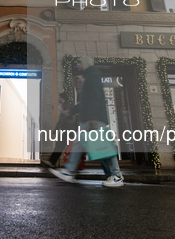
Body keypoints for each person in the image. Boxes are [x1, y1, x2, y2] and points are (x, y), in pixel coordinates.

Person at [49, 57, 124, 187]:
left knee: (105, 147)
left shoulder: (92, 75)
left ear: (86, 63)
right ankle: (69, 171)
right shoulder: (89, 77)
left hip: (93, 118)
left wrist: (93, 117)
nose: (78, 66)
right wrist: (70, 111)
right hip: (88, 118)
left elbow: (95, 97)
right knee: (82, 143)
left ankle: (116, 175)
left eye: (79, 63)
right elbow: (84, 103)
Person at [42, 92, 74, 168]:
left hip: (66, 129)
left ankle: (52, 162)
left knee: (59, 146)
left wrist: (56, 129)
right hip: (67, 129)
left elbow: (62, 119)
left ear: (62, 98)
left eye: (59, 97)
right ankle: (53, 162)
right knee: (62, 147)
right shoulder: (65, 106)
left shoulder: (66, 106)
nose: (58, 98)